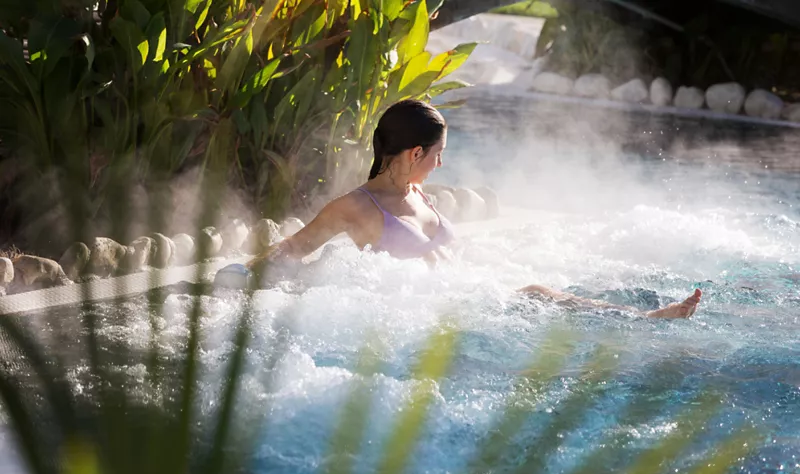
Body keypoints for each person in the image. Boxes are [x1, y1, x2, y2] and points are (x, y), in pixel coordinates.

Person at [220, 99, 701, 319]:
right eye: (437, 154)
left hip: (468, 299)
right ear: (413, 154)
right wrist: (243, 272)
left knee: (539, 288)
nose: (441, 162)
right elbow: (296, 247)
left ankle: (634, 313)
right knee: (537, 291)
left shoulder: (420, 195)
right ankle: (643, 320)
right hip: (430, 314)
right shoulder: (355, 207)